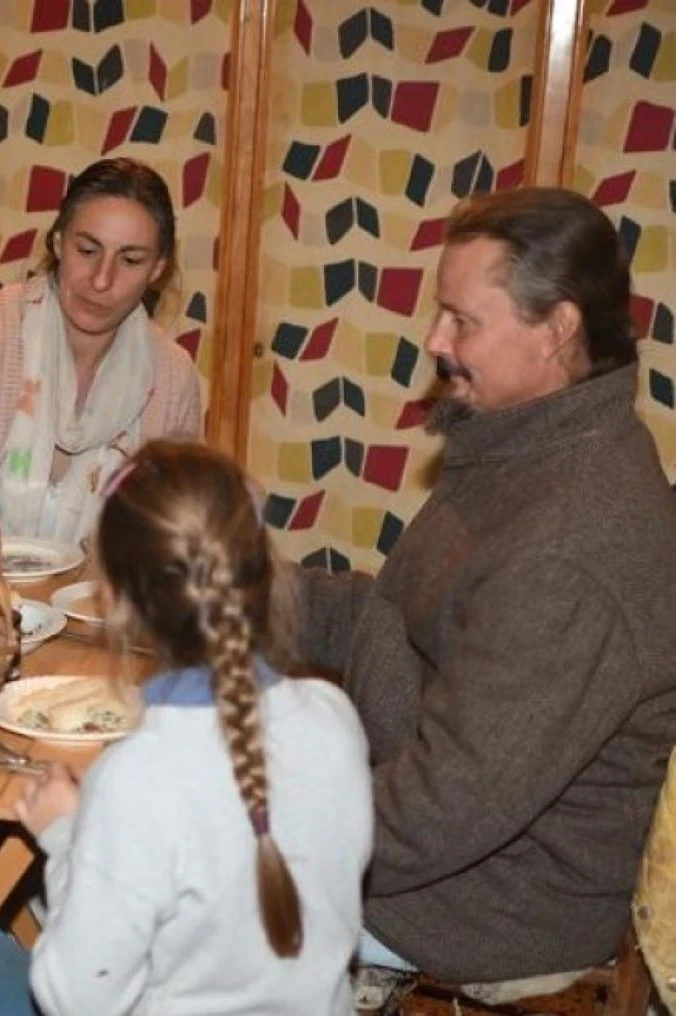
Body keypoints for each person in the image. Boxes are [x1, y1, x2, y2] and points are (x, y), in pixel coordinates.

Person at [297, 187, 676, 984]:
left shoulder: (572, 549)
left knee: (143, 867)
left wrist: (259, 825)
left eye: (463, 320)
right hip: (421, 829)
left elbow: (438, 815)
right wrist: (234, 592)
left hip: (478, 903)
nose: (435, 340)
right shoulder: (521, 445)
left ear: (558, 329)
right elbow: (399, 619)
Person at [0, 440, 373, 1016]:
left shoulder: (135, 776)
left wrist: (65, 845)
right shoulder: (335, 717)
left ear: (116, 600)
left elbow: (75, 998)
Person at [0, 157, 202, 570]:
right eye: (87, 250)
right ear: (59, 242)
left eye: (130, 260)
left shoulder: (172, 375)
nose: (101, 279)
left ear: (157, 269)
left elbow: (176, 524)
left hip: (96, 622)